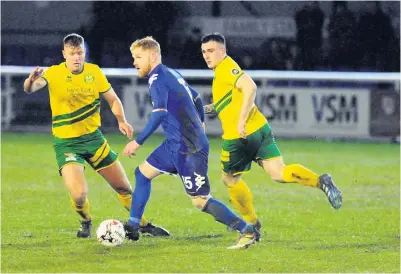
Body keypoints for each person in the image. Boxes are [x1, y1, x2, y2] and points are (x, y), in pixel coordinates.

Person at [22, 33, 169, 239]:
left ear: (84, 53)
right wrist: (30, 81)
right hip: (67, 144)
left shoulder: (94, 72)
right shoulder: (53, 73)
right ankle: (86, 221)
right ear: (64, 54)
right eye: (72, 53)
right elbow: (31, 89)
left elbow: (113, 99)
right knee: (79, 195)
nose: (76, 57)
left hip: (94, 140)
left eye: (80, 52)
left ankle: (142, 225)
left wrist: (121, 120)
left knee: (124, 188)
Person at [122, 36, 260, 249]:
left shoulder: (157, 79)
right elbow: (195, 96)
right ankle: (133, 226)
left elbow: (159, 114)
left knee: (199, 200)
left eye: (138, 57)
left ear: (153, 55)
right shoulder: (170, 73)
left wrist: (137, 142)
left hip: (189, 148)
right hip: (174, 144)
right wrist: (201, 121)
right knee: (142, 173)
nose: (135, 62)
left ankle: (246, 229)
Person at [200, 33, 343, 230]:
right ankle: (321, 181)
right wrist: (204, 108)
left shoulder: (226, 68)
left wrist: (241, 121)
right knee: (279, 173)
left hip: (239, 137)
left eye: (211, 51)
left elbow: (250, 87)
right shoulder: (223, 72)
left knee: (230, 179)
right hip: (260, 128)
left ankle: (250, 222)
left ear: (222, 52)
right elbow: (226, 103)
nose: (207, 55)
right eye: (204, 52)